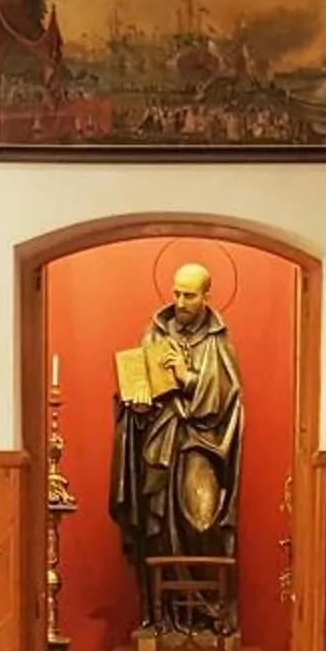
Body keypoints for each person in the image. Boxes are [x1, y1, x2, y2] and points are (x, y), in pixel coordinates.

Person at [109, 262, 245, 630]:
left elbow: (228, 397)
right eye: (177, 293)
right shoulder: (155, 334)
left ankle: (210, 613)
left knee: (202, 522)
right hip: (160, 441)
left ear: (206, 296)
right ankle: (164, 617)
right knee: (157, 530)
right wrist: (137, 405)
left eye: (190, 295)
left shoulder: (216, 340)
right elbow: (137, 385)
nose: (181, 302)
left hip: (202, 444)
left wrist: (188, 378)